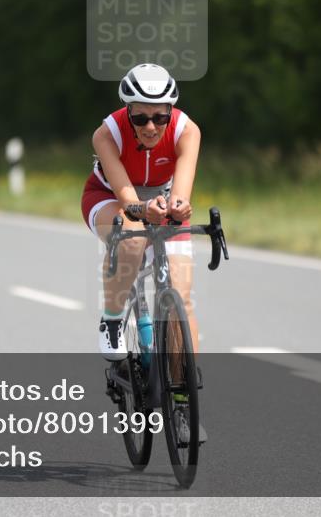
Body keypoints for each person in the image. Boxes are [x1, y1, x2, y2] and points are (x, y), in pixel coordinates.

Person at [82, 63, 205, 443]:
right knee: (133, 238)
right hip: (109, 199)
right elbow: (126, 197)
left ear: (171, 112)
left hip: (160, 201)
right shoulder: (107, 134)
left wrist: (178, 206)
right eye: (140, 118)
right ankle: (112, 318)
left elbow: (181, 192)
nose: (151, 127)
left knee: (181, 298)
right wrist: (140, 209)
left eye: (159, 117)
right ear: (128, 111)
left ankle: (182, 403)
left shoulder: (187, 131)